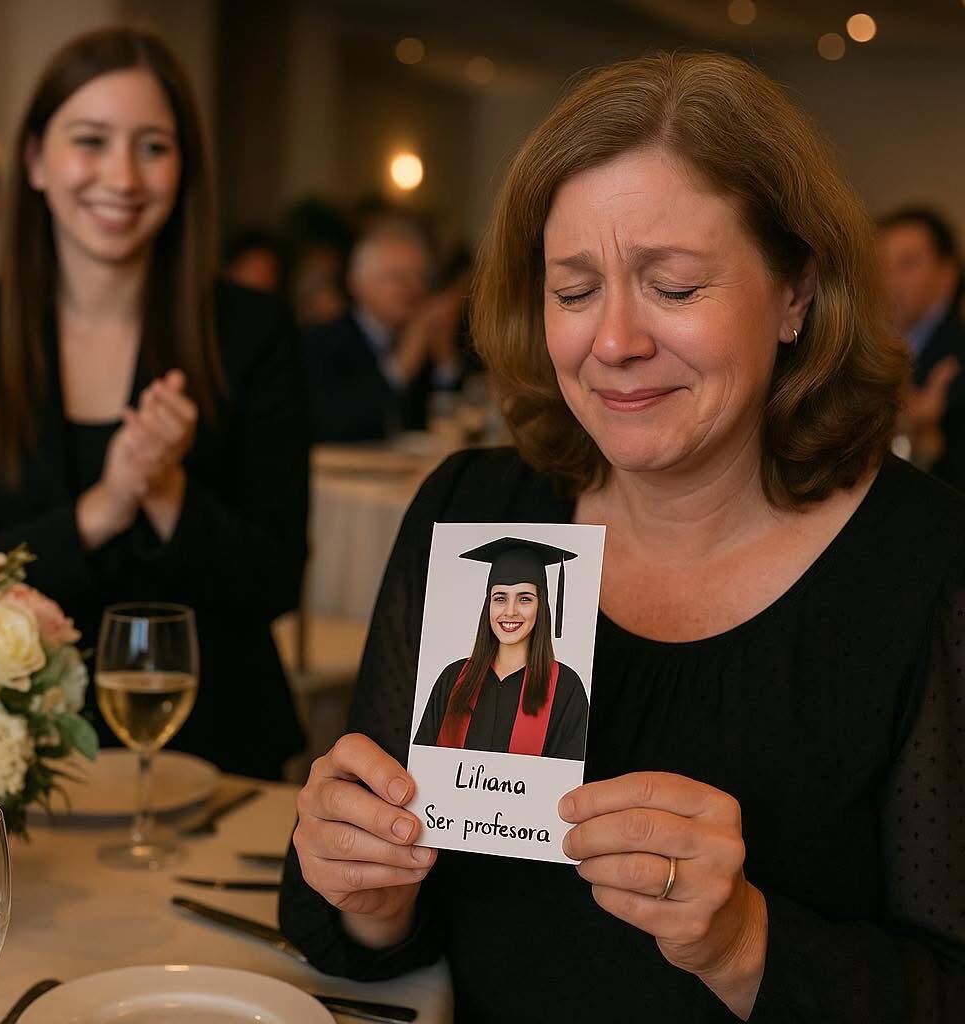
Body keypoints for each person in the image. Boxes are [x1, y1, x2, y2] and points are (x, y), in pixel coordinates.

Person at [278, 51, 965, 1022]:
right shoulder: (477, 512)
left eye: (673, 286)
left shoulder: (926, 570)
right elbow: (372, 924)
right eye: (572, 290)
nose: (612, 341)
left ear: (796, 294)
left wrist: (742, 943)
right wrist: (369, 891)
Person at [0, 27, 309, 780]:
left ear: (183, 170)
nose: (123, 176)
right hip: (12, 761)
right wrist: (103, 509)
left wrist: (169, 489)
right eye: (90, 140)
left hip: (220, 757)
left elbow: (275, 583)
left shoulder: (251, 332)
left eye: (152, 147)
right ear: (37, 161)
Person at [413, 538, 588, 760]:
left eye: (524, 599)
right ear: (488, 605)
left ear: (541, 606)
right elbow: (423, 765)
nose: (510, 611)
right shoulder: (453, 678)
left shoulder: (566, 687)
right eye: (500, 599)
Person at [301, 224, 461, 442]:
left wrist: (445, 359)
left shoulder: (427, 337)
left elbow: (455, 420)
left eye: (420, 277)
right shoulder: (319, 343)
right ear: (358, 284)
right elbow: (336, 425)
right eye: (398, 277)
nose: (412, 287)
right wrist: (401, 366)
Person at [878, 208, 965, 486]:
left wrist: (927, 435)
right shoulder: (877, 351)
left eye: (907, 264)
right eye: (880, 266)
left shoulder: (956, 358)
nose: (888, 281)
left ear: (947, 275)